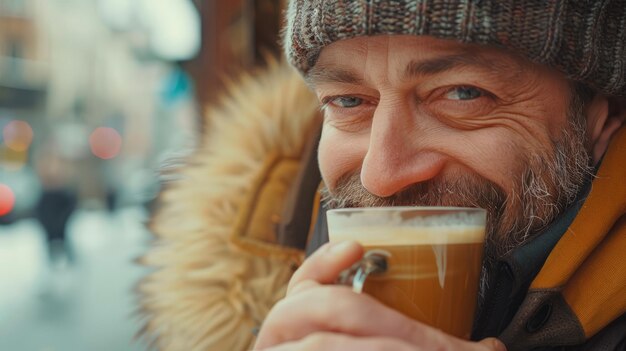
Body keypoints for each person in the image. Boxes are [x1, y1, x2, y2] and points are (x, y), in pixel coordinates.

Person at [137, 1, 626, 350]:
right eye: (348, 101)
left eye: (462, 93)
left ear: (600, 121)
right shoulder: (238, 287)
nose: (382, 174)